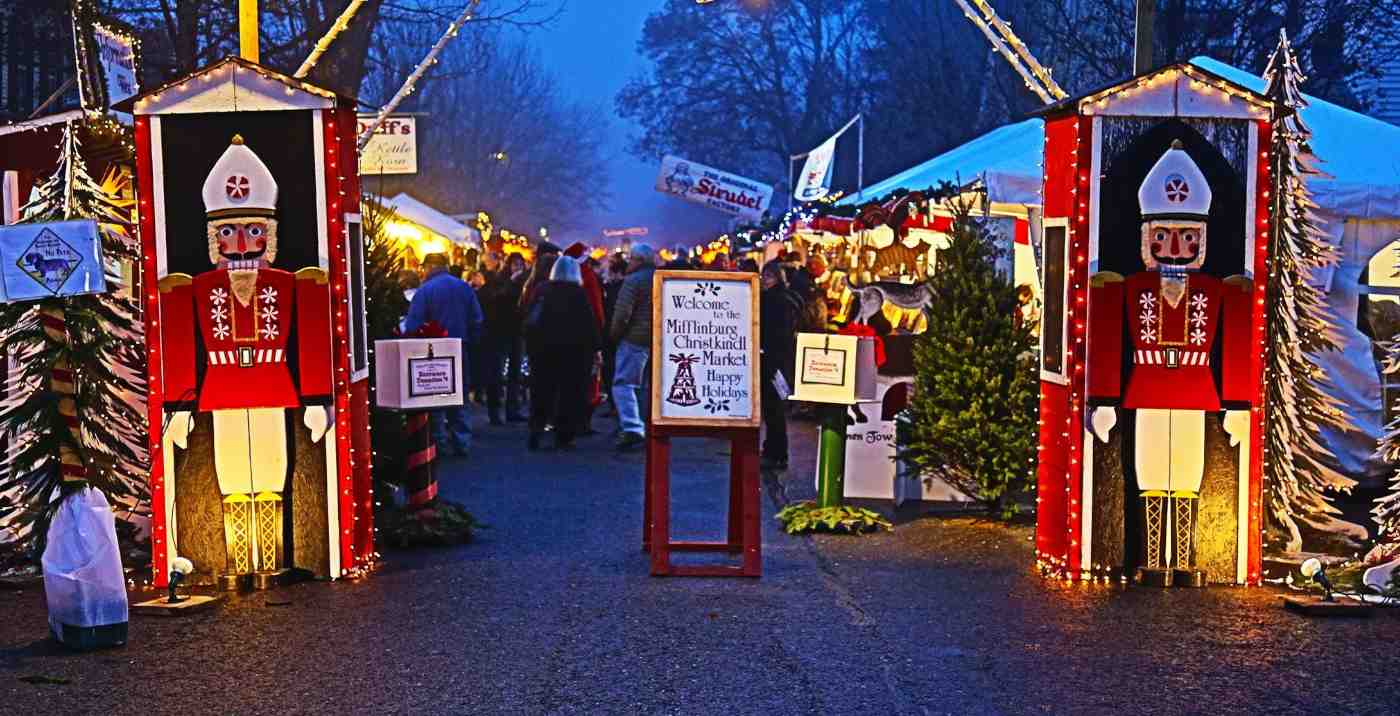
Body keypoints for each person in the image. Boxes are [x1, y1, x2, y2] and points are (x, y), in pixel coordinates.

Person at [403, 252, 484, 457]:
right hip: (459, 346)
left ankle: (439, 441)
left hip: (433, 350)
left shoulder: (425, 290)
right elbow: (477, 318)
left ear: (429, 267)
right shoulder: (463, 287)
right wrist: (471, 340)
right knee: (460, 395)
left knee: (436, 395)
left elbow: (413, 324)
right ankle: (462, 440)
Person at [523, 256, 601, 451]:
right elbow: (589, 325)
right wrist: (596, 349)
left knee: (541, 391)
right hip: (574, 352)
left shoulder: (542, 289)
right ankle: (564, 436)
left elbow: (529, 317)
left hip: (542, 349)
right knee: (570, 393)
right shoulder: (579, 293)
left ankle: (536, 430)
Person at [609, 243, 657, 451]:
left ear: (639, 260)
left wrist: (614, 335)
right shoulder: (661, 278)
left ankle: (632, 428)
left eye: (631, 259)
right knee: (647, 387)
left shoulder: (632, 281)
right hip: (657, 341)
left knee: (624, 384)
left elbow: (622, 314)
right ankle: (650, 426)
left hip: (634, 339)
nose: (628, 262)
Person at [759, 261, 802, 470]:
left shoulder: (773, 300)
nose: (763, 280)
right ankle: (773, 449)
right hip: (782, 359)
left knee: (773, 408)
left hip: (773, 360)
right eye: (763, 276)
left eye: (768, 276)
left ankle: (776, 452)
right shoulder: (788, 299)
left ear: (777, 278)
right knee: (774, 408)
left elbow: (775, 333)